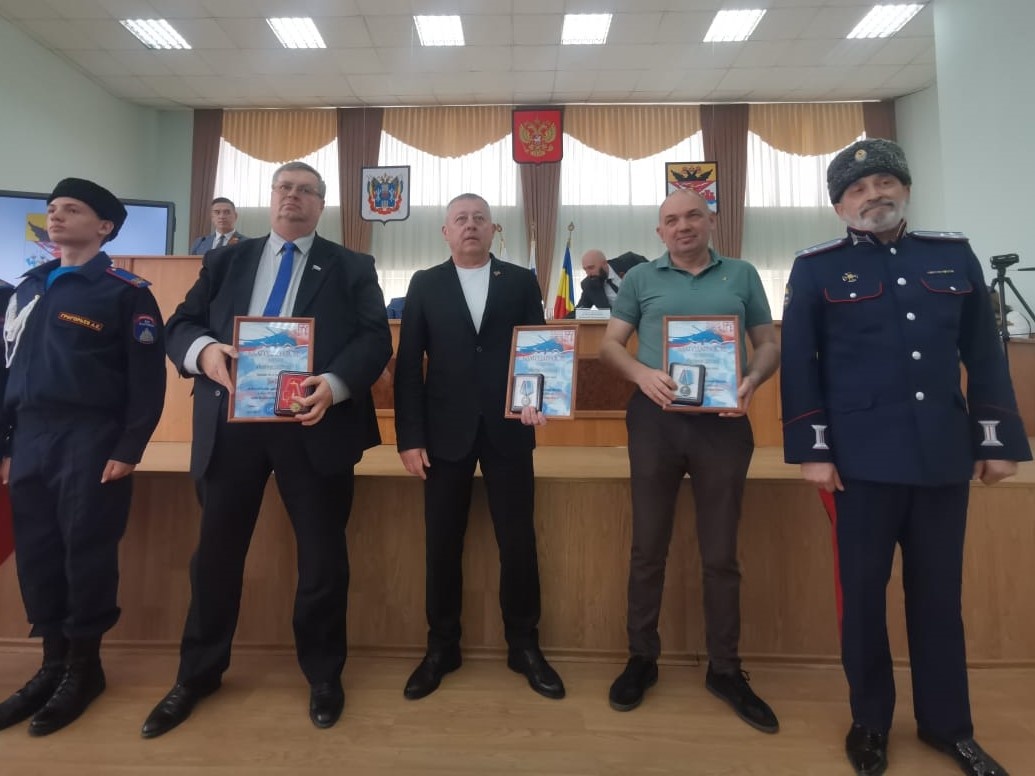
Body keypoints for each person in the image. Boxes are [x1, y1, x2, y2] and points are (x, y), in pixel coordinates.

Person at [781, 138, 1029, 776]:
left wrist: (997, 440)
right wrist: (812, 450)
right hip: (859, 465)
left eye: (885, 182)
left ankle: (949, 726)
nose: (874, 195)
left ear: (906, 190)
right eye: (858, 189)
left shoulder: (951, 255)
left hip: (943, 457)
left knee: (939, 599)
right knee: (863, 600)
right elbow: (801, 366)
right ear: (840, 206)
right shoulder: (816, 268)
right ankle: (870, 722)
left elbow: (984, 352)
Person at [140, 162, 392, 738]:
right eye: (284, 188)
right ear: (271, 197)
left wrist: (335, 384)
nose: (292, 197)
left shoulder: (352, 266)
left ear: (320, 204)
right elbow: (181, 324)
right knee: (215, 557)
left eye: (305, 191)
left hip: (314, 424)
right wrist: (206, 352)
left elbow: (374, 338)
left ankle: (324, 675)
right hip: (232, 426)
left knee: (323, 559)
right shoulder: (226, 260)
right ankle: (197, 675)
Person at [599, 189, 781, 733]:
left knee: (720, 553)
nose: (683, 226)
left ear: (711, 221)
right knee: (647, 547)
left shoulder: (742, 274)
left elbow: (768, 344)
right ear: (660, 232)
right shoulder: (640, 279)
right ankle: (642, 658)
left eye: (693, 216)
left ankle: (725, 669)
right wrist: (641, 374)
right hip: (655, 421)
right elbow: (610, 346)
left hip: (723, 423)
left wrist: (752, 379)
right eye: (672, 219)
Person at [0, 178, 166, 736]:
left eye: (71, 209)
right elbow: (6, 371)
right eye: (52, 208)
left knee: (85, 553)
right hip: (30, 439)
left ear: (104, 227)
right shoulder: (29, 288)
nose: (56, 216)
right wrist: (5, 445)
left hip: (90, 439)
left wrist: (129, 447)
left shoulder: (124, 292)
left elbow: (147, 381)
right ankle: (51, 665)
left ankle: (84, 668)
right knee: (38, 554)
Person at [393, 193, 565, 702]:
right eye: (460, 219)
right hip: (442, 435)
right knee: (442, 544)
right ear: (446, 231)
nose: (470, 226)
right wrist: (410, 437)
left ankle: (524, 645)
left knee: (518, 542)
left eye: (479, 219)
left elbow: (537, 349)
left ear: (493, 230)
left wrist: (539, 398)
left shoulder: (520, 281)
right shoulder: (425, 283)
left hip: (509, 428)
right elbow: (408, 367)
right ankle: (442, 647)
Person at [573, 249, 647, 311]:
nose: (588, 274)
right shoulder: (589, 285)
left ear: (604, 263)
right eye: (585, 269)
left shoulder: (630, 261)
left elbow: (653, 273)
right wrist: (565, 321)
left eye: (591, 268)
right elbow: (580, 310)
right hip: (620, 322)